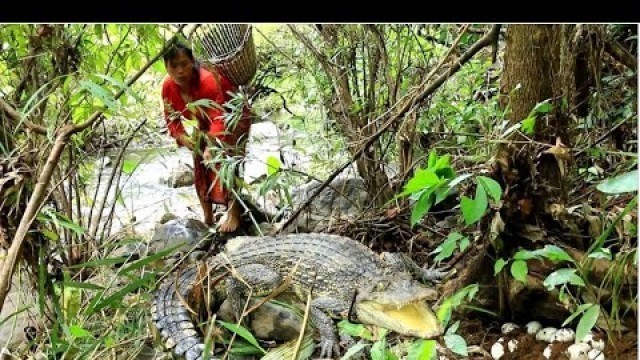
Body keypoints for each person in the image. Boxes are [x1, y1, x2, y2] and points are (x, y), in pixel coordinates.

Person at [161, 40, 252, 233]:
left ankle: (233, 213)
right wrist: (183, 138)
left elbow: (220, 117)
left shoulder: (209, 80)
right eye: (173, 66)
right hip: (205, 122)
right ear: (166, 67)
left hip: (232, 116)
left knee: (227, 160)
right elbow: (172, 119)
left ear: (193, 62)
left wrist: (212, 146)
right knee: (199, 164)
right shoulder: (168, 87)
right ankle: (208, 216)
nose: (180, 71)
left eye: (184, 64)